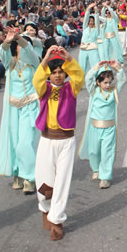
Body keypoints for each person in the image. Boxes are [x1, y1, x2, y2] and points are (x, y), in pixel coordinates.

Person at [32, 45, 84, 241]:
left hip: (66, 141)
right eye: (54, 73)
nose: (58, 76)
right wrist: (46, 58)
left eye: (61, 72)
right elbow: (37, 80)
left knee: (62, 182)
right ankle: (46, 209)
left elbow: (79, 76)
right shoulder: (44, 89)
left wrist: (68, 58)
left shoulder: (72, 88)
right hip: (47, 140)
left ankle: (57, 220)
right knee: (44, 182)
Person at [0, 30, 41, 194]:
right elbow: (3, 54)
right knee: (14, 143)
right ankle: (18, 173)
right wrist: (8, 42)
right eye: (19, 46)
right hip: (13, 109)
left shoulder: (33, 63)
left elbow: (30, 50)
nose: (22, 49)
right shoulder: (9, 65)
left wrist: (20, 38)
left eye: (24, 45)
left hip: (29, 108)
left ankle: (30, 177)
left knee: (25, 143)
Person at [78, 60, 125, 189]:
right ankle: (96, 169)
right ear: (98, 82)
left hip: (109, 128)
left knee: (107, 152)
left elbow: (122, 81)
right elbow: (88, 79)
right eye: (105, 82)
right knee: (94, 151)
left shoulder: (114, 91)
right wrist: (96, 67)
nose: (108, 85)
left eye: (110, 82)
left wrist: (118, 69)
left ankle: (105, 177)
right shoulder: (94, 91)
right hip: (94, 127)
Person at [78, 4, 101, 75]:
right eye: (89, 21)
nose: (91, 22)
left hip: (93, 49)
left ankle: (96, 79)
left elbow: (97, 21)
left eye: (92, 21)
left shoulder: (96, 29)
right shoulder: (85, 28)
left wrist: (96, 12)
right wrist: (88, 9)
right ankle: (81, 81)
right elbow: (85, 19)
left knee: (95, 65)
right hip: (83, 49)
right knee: (81, 66)